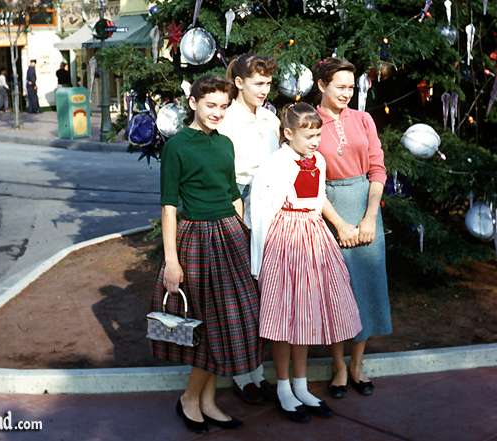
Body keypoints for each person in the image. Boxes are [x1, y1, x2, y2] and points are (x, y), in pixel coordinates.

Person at [150, 76, 260, 433]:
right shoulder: (177, 146)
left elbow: (233, 195)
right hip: (196, 240)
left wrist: (242, 235)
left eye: (224, 106)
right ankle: (190, 399)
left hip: (230, 235)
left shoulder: (226, 144)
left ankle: (207, 401)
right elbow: (169, 206)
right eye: (210, 105)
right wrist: (171, 260)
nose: (217, 112)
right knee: (208, 325)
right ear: (193, 102)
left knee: (229, 323)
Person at [250, 103, 362, 422]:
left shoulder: (319, 160)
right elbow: (261, 214)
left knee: (306, 315)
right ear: (288, 133)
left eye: (317, 134)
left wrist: (335, 225)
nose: (314, 141)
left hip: (314, 240)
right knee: (286, 319)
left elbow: (317, 198)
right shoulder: (276, 164)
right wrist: (259, 263)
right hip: (286, 242)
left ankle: (301, 385)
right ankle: (283, 387)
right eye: (308, 135)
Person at [313, 57, 392, 398]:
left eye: (351, 86)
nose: (347, 93)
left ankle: (357, 364)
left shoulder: (364, 119)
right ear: (322, 86)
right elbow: (309, 178)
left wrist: (370, 216)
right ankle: (338, 365)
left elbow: (377, 168)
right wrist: (340, 224)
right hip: (329, 208)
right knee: (336, 292)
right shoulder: (308, 120)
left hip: (365, 204)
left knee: (368, 287)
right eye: (339, 86)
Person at [217, 52, 279, 405]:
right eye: (257, 83)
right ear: (239, 82)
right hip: (237, 204)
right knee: (241, 294)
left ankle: (259, 370)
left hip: (269, 205)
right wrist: (238, 215)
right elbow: (226, 174)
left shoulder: (271, 120)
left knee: (264, 292)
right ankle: (244, 375)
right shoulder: (226, 121)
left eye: (268, 83)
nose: (264, 90)